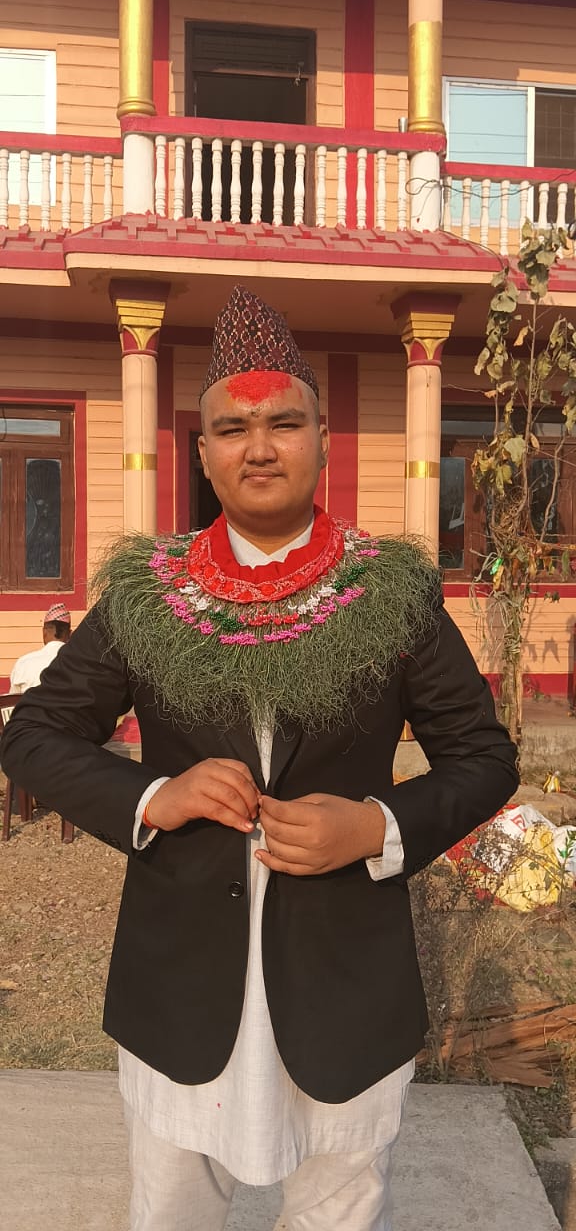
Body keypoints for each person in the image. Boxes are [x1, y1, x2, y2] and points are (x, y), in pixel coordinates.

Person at [1, 287, 519, 1231]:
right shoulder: (151, 593)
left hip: (346, 970)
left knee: (339, 1206)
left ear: (322, 440)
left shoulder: (393, 592)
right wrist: (153, 796)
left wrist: (377, 825)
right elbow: (31, 736)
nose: (260, 447)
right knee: (173, 1207)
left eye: (284, 422)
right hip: (182, 973)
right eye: (233, 429)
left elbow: (484, 757)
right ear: (203, 454)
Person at [9, 602, 72, 694]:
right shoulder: (79, 664)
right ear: (70, 634)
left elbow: (13, 700)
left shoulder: (23, 663)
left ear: (44, 633)